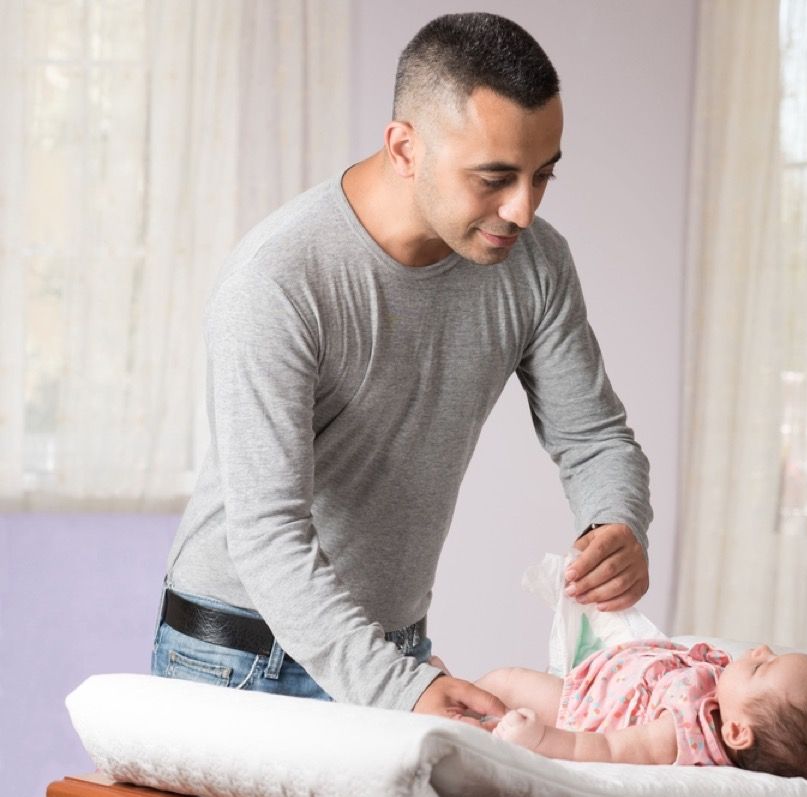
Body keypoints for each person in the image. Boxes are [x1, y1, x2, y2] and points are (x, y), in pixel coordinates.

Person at [150, 12, 653, 728]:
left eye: (542, 176)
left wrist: (617, 522)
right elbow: (266, 534)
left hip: (391, 651)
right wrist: (398, 686)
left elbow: (596, 436)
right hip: (236, 661)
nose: (522, 207)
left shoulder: (535, 263)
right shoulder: (279, 280)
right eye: (494, 178)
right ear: (405, 147)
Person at [481, 640, 807, 781]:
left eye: (763, 666)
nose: (762, 648)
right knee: (498, 687)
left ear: (736, 733)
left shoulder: (678, 735)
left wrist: (541, 738)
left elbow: (605, 750)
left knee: (504, 682)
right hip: (601, 675)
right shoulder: (727, 694)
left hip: (579, 703)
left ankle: (439, 709)